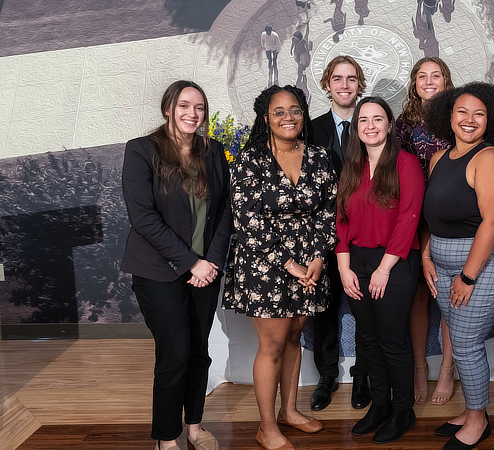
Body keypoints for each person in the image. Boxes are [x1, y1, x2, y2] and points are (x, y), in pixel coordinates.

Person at [223, 85, 337, 450]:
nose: (288, 117)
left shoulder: (319, 157)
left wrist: (317, 258)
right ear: (265, 118)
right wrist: (289, 263)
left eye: (295, 110)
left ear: (304, 114)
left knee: (293, 337)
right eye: (279, 111)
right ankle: (267, 427)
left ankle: (290, 411)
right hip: (265, 266)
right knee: (272, 344)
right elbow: (246, 220)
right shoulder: (250, 159)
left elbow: (329, 212)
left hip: (309, 264)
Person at [121, 80, 232, 450]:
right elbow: (144, 218)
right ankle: (167, 438)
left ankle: (195, 429)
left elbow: (224, 212)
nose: (192, 114)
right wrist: (190, 263)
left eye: (199, 107)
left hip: (206, 271)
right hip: (158, 272)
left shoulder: (213, 151)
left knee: (199, 351)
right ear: (168, 107)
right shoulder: (141, 151)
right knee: (175, 353)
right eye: (184, 105)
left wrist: (211, 261)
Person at [422, 82, 494, 450]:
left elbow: (492, 224)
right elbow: (432, 216)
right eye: (462, 111)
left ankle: (478, 420)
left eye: (479, 114)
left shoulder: (490, 158)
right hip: (443, 262)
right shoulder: (438, 159)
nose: (469, 120)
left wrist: (467, 276)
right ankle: (470, 409)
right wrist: (427, 255)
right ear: (448, 115)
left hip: (481, 263)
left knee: (465, 343)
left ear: (489, 120)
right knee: (459, 340)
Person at [336, 97, 425, 444]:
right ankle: (380, 403)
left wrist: (385, 268)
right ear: (356, 128)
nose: (370, 125)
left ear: (390, 125)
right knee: (368, 339)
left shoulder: (406, 165)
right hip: (355, 261)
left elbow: (409, 218)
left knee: (392, 340)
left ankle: (403, 411)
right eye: (363, 120)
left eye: (377, 119)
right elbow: (341, 218)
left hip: (395, 262)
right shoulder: (352, 166)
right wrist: (344, 267)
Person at [309, 55, 371, 411]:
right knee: (325, 308)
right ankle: (327, 375)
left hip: (362, 235)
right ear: (327, 84)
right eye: (337, 78)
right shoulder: (311, 129)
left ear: (359, 84)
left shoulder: (372, 125)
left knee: (364, 308)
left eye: (351, 79)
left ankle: (362, 374)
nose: (344, 85)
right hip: (322, 235)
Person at [396, 56, 456, 406]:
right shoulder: (404, 124)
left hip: (453, 214)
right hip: (415, 215)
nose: (429, 81)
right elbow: (400, 170)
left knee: (448, 296)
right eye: (422, 76)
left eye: (436, 75)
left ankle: (447, 369)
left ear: (446, 81)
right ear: (414, 83)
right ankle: (420, 366)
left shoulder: (459, 116)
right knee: (418, 295)